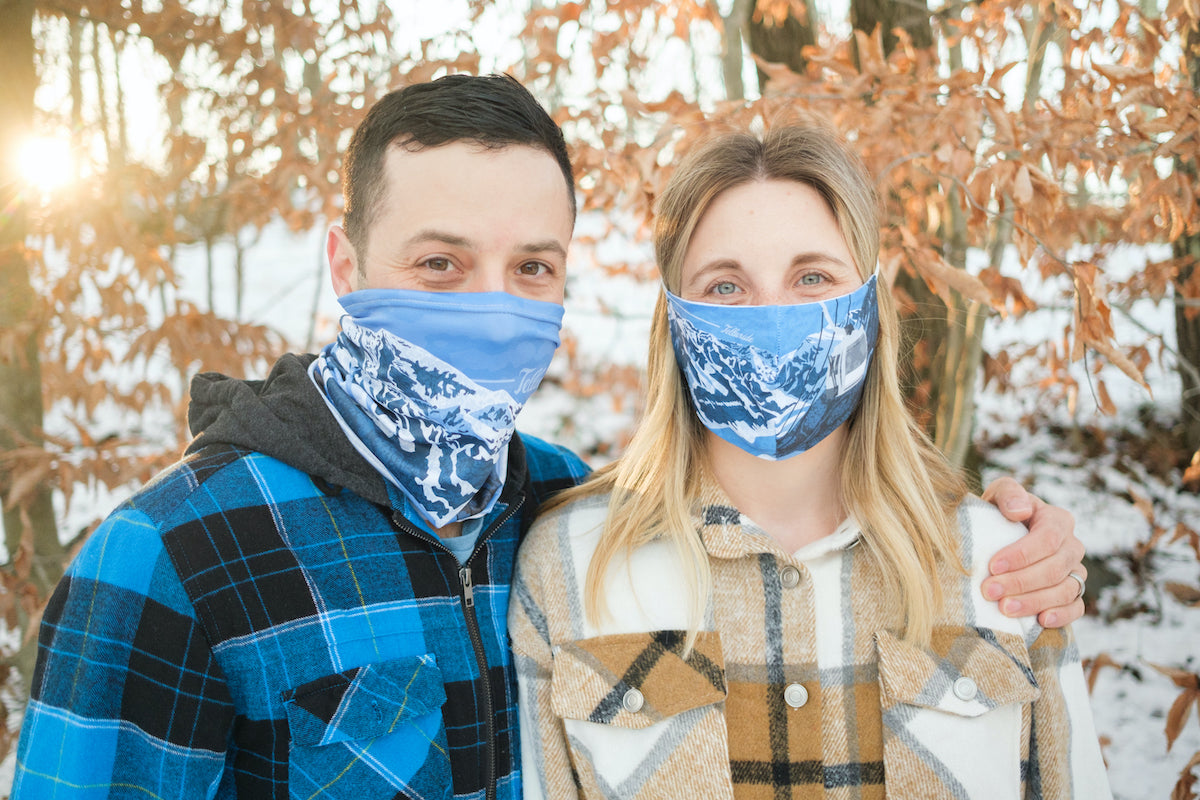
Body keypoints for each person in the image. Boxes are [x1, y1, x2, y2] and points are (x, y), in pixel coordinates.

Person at [13, 75, 1083, 799]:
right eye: (440, 263)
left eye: (531, 267)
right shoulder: (168, 558)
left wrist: (1030, 544)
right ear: (344, 264)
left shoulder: (554, 515)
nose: (491, 306)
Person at [509, 123, 1110, 799]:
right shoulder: (571, 568)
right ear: (674, 320)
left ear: (870, 307)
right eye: (726, 286)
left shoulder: (1005, 564)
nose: (772, 314)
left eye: (813, 277)